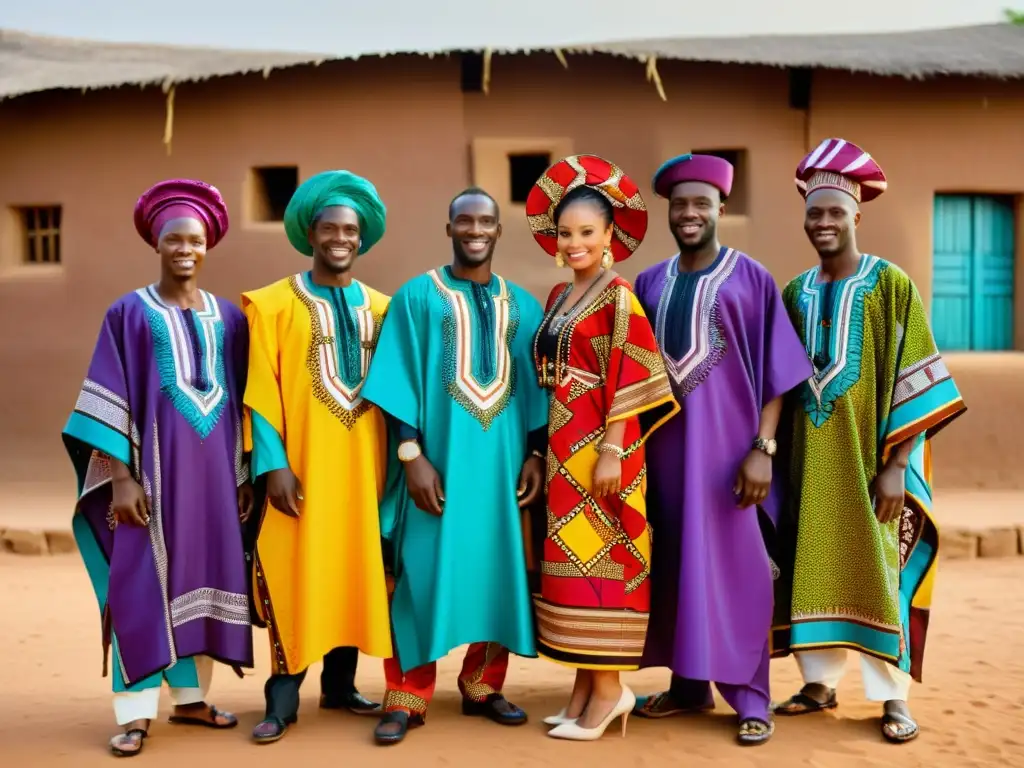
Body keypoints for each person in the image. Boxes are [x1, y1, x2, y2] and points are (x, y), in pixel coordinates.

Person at [772, 138, 967, 743]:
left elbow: (917, 370)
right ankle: (819, 682)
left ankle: (892, 696)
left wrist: (898, 464)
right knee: (812, 566)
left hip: (876, 464)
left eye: (835, 211)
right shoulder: (793, 292)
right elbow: (778, 378)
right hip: (810, 462)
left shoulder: (890, 285)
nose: (823, 222)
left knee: (882, 569)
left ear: (858, 214)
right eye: (814, 212)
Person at [62, 179, 253, 757]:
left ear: (208, 245)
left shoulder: (230, 319)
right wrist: (120, 477)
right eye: (174, 239)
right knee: (140, 584)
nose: (185, 249)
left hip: (215, 482)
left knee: (204, 580)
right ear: (157, 244)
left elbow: (243, 401)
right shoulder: (128, 313)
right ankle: (136, 713)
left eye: (195, 239)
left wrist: (243, 477)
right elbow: (108, 396)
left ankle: (191, 700)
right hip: (149, 482)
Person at [628, 154, 813, 746]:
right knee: (676, 564)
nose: (689, 214)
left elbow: (779, 372)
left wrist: (763, 447)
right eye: (679, 204)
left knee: (738, 572)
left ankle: (751, 695)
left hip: (733, 457)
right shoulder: (650, 282)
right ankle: (687, 686)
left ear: (720, 210)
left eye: (700, 204)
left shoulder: (751, 277)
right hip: (665, 456)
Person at [362, 187, 548, 745]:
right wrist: (411, 456)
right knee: (421, 572)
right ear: (449, 228)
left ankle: (482, 686)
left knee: (497, 569)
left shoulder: (526, 306)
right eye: (464, 220)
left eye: (485, 221)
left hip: (503, 471)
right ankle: (407, 695)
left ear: (497, 229)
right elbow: (397, 381)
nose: (474, 229)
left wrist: (536, 454)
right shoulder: (417, 296)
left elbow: (540, 393)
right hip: (436, 468)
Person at [524, 154, 679, 742]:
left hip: (602, 452)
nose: (574, 242)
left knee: (604, 561)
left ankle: (612, 691)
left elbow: (635, 373)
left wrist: (614, 449)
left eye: (586, 232)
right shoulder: (558, 297)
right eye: (566, 233)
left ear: (610, 235)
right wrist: (540, 451)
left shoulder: (619, 298)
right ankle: (586, 687)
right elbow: (547, 379)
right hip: (564, 452)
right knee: (570, 566)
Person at [242, 170, 393, 744]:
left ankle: (340, 686)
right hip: (300, 471)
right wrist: (273, 464)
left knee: (354, 569)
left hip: (363, 471)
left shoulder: (382, 308)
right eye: (329, 228)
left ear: (361, 238)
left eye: (350, 230)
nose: (340, 238)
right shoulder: (273, 305)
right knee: (297, 571)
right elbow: (261, 390)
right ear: (311, 234)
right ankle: (281, 701)